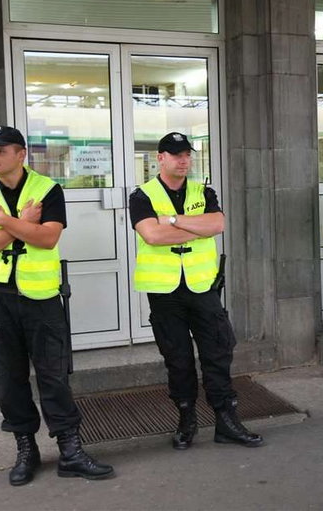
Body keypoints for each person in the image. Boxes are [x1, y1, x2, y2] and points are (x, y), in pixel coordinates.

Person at [0, 126, 114, 486]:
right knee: (6, 378)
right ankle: (25, 448)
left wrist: (2, 222)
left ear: (21, 154)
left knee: (54, 377)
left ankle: (70, 450)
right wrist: (20, 225)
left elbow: (47, 238)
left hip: (42, 298)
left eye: (0, 150)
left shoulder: (47, 189)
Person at [129, 132, 263, 449]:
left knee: (217, 353)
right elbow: (152, 236)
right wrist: (194, 229)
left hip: (202, 287)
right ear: (160, 158)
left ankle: (226, 421)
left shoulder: (204, 191)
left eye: (187, 154)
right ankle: (186, 419)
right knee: (178, 359)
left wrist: (173, 220)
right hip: (164, 291)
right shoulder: (141, 196)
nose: (183, 160)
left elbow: (217, 225)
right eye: (175, 154)